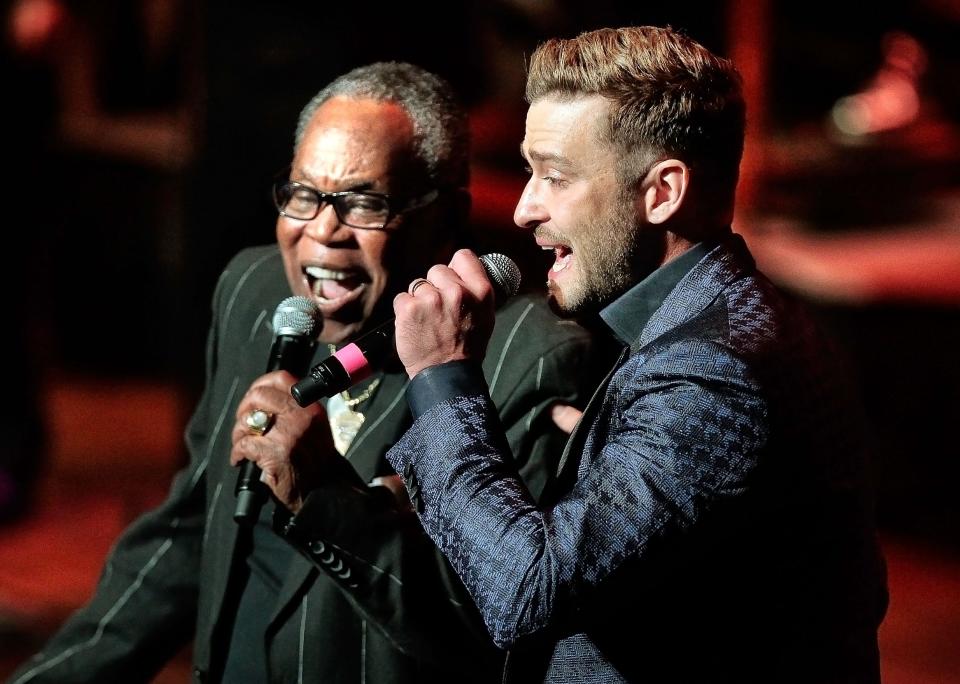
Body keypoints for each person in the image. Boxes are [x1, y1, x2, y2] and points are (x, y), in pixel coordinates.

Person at [9, 62, 601, 683]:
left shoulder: (525, 359)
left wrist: (323, 499)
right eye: (303, 195)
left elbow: (485, 629)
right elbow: (191, 530)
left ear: (446, 215)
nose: (322, 230)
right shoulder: (252, 291)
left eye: (365, 204)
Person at [382, 27, 890, 683]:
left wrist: (442, 375)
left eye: (554, 176)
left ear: (661, 192)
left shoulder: (715, 373)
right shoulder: (722, 323)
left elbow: (525, 594)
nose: (523, 210)